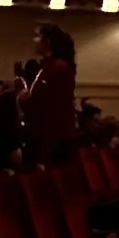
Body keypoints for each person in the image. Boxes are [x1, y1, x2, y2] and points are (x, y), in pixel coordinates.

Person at [22, 24, 77, 165]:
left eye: (37, 36)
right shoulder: (47, 67)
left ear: (48, 42)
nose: (34, 40)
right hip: (45, 134)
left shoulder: (58, 67)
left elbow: (55, 105)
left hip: (53, 138)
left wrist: (25, 101)